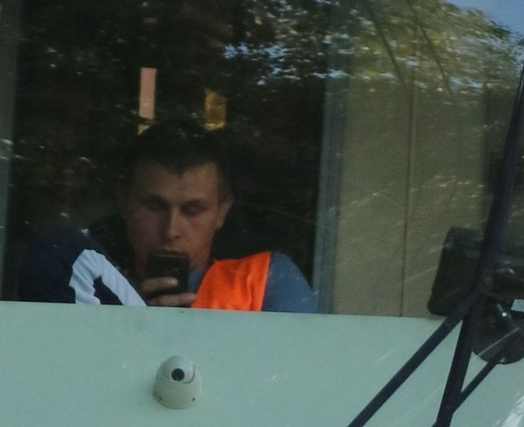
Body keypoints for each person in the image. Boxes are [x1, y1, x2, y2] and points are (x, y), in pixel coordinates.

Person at [18, 123, 318, 315]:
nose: (171, 230)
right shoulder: (87, 283)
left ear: (222, 212)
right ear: (123, 201)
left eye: (192, 210)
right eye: (155, 206)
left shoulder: (265, 279)